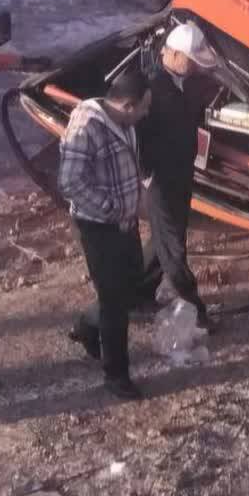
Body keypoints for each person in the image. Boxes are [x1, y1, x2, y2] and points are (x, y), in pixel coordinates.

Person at [57, 70, 152, 401]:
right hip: (99, 227)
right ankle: (116, 374)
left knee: (129, 285)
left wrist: (138, 195)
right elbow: (70, 183)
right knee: (115, 302)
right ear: (127, 105)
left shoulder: (123, 122)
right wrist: (113, 208)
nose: (146, 114)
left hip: (124, 222)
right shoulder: (86, 128)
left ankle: (87, 326)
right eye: (144, 108)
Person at [137, 22, 218, 329]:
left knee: (163, 239)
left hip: (179, 176)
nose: (196, 67)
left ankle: (138, 292)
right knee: (173, 248)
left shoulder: (180, 83)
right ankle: (197, 312)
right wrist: (147, 175)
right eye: (191, 60)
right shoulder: (154, 89)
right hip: (161, 180)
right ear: (172, 54)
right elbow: (137, 135)